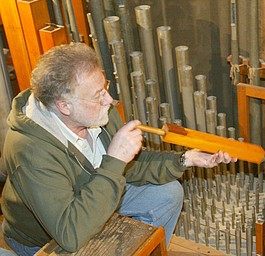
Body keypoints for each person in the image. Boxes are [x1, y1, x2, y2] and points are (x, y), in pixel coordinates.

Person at [1, 43, 235, 255]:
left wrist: (186, 159)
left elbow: (131, 170)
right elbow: (69, 233)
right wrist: (115, 158)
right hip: (48, 237)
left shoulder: (96, 115)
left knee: (167, 194)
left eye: (105, 88)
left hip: (91, 192)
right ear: (64, 107)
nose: (109, 100)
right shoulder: (30, 152)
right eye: (97, 96)